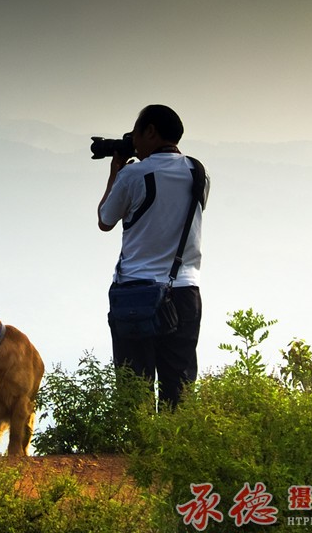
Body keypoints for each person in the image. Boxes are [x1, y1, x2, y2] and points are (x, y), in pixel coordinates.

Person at [97, 104, 209, 409]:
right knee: (180, 384)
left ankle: (136, 452)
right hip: (185, 290)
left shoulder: (133, 174)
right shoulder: (198, 171)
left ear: (150, 131)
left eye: (136, 131)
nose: (133, 139)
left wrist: (115, 174)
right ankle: (176, 451)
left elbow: (105, 220)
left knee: (134, 385)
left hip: (136, 291)